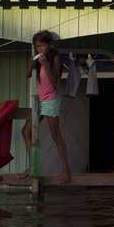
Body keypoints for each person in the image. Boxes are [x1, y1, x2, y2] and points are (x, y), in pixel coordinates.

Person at [18, 30, 71, 184]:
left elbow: (55, 82)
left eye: (42, 45)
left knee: (55, 135)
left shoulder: (55, 58)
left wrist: (45, 65)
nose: (39, 48)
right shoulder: (38, 58)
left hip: (51, 100)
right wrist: (31, 63)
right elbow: (28, 74)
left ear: (50, 45)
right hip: (39, 101)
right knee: (25, 131)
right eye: (37, 46)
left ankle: (66, 170)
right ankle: (33, 168)